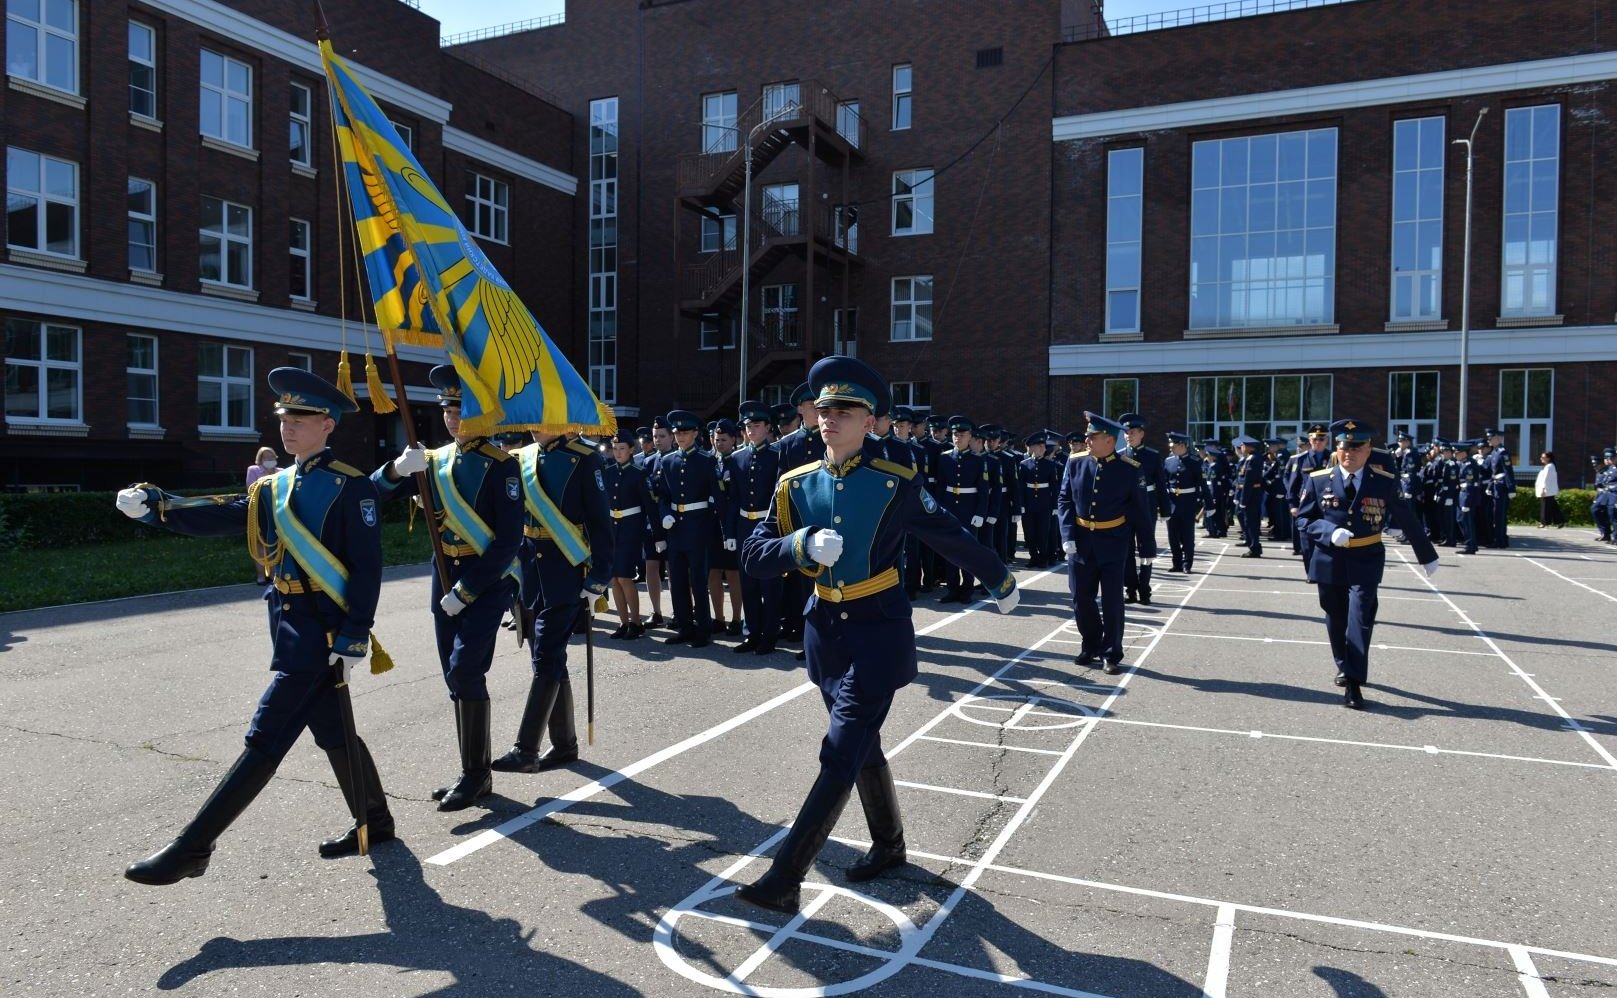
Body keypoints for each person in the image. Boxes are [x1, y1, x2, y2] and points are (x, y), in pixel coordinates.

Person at [735, 356, 1019, 914]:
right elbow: (754, 556)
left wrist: (998, 578)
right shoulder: (795, 485)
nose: (828, 418)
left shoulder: (895, 482)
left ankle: (785, 877)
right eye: (823, 409)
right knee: (864, 746)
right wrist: (800, 547)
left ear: (870, 421)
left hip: (876, 630)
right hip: (826, 634)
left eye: (843, 410)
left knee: (839, 751)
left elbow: (947, 533)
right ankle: (890, 845)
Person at [118, 367, 390, 884]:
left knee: (266, 734)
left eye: (302, 418)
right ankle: (375, 821)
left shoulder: (350, 488)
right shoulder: (273, 486)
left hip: (324, 631)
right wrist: (160, 508)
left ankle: (192, 848)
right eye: (285, 417)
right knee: (332, 728)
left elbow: (367, 567)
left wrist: (357, 631)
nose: (288, 427)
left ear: (328, 424)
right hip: (287, 623)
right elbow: (229, 511)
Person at [373, 365, 521, 812]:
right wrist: (397, 471)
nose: (452, 419)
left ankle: (476, 775)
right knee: (452, 676)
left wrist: (468, 589)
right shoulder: (431, 460)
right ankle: (473, 770)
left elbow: (508, 540)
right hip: (443, 576)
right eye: (447, 411)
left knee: (464, 669)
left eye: (460, 411)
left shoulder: (502, 467)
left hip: (485, 580)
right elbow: (374, 493)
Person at [1294, 419, 1439, 710]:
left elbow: (1405, 515)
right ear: (1338, 447)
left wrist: (1426, 554)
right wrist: (1329, 532)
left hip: (1366, 556)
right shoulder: (1318, 478)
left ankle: (1353, 680)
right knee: (1335, 617)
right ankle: (1343, 664)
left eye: (1357, 447)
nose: (1350, 453)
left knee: (1360, 617)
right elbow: (1303, 519)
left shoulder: (1382, 480)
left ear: (1369, 449)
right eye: (1345, 446)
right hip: (1330, 559)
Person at [1056, 412, 1156, 674]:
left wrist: (1146, 547)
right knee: (1080, 597)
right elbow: (1064, 500)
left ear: (1109, 440)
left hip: (1113, 542)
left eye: (1093, 437)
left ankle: (1111, 652)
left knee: (1112, 601)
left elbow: (1140, 512)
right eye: (1087, 436)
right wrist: (1067, 535)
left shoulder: (1129, 469)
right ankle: (1091, 643)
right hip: (1080, 542)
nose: (1086, 440)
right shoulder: (1075, 462)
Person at [651, 409, 719, 647]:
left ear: (695, 434)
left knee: (698, 582)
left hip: (698, 527)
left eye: (685, 432)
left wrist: (713, 527)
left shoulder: (706, 460)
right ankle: (685, 626)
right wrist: (666, 515)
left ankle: (703, 628)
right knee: (677, 580)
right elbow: (662, 496)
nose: (680, 436)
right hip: (676, 529)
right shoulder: (667, 460)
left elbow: (716, 497)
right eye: (677, 432)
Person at [726, 401, 784, 654]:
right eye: (747, 426)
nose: (751, 430)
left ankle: (769, 635)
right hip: (743, 525)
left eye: (756, 425)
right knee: (748, 583)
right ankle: (752, 633)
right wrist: (730, 532)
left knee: (769, 584)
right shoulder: (737, 457)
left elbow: (779, 497)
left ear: (768, 427)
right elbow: (733, 499)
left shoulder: (776, 456)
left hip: (767, 525)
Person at [934, 416, 990, 603]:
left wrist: (980, 513)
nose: (958, 438)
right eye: (955, 435)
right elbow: (940, 486)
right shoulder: (944, 458)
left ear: (969, 437)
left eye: (962, 435)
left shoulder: (977, 460)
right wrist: (938, 510)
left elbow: (983, 489)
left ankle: (967, 589)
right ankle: (952, 589)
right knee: (950, 550)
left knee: (967, 551)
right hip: (949, 508)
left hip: (969, 509)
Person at [602, 430, 652, 638]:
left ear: (632, 450)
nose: (618, 452)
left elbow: (648, 505)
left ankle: (636, 622)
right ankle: (623, 622)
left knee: (625, 577)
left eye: (622, 449)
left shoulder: (638, 473)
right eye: (615, 449)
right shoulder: (609, 471)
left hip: (631, 530)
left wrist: (655, 534)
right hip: (613, 529)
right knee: (614, 578)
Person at [1118, 413, 1168, 602]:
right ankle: (1130, 588)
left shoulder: (1153, 456)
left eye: (1132, 432)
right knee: (1126, 549)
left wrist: (1165, 510)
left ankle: (1144, 588)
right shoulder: (1120, 455)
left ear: (1141, 434)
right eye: (1126, 433)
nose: (1128, 435)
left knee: (1146, 548)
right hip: (1126, 508)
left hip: (1146, 505)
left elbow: (1161, 484)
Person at [708, 418, 745, 636]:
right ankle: (718, 618)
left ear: (733, 439)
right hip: (712, 524)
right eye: (716, 439)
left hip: (732, 524)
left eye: (723, 439)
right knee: (713, 572)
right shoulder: (710, 461)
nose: (719, 443)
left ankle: (736, 618)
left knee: (733, 574)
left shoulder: (738, 461)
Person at [1018, 432, 1061, 568]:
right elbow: (1021, 486)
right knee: (1029, 532)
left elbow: (1054, 487)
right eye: (1040, 446)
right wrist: (1022, 504)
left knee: (1043, 532)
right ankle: (1033, 557)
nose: (1043, 448)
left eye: (1043, 446)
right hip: (1029, 503)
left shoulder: (1050, 465)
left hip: (1044, 504)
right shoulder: (1024, 464)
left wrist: (1055, 506)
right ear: (1032, 447)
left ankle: (1043, 558)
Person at [1163, 431, 1204, 573]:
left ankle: (1187, 564)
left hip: (1188, 503)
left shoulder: (1195, 462)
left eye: (1173, 445)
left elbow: (1202, 484)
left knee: (1187, 535)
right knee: (1173, 536)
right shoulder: (1169, 461)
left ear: (1182, 445)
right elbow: (1164, 482)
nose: (1170, 447)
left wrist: (1207, 504)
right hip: (1172, 502)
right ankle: (1177, 563)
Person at [1535, 451, 1565, 528]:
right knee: (1553, 507)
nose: (1541, 458)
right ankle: (1560, 521)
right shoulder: (1548, 466)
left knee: (1545, 507)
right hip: (1548, 491)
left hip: (1547, 491)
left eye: (1543, 457)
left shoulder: (1549, 467)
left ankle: (1544, 522)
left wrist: (1543, 489)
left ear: (1548, 458)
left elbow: (1546, 479)